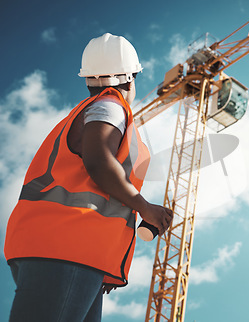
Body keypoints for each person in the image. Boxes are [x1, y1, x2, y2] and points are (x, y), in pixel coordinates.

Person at [4, 33, 173, 321]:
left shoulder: (90, 110)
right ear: (130, 78)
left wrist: (103, 262)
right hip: (69, 248)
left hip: (67, 250)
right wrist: (144, 207)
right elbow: (99, 162)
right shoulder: (111, 106)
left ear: (88, 80)